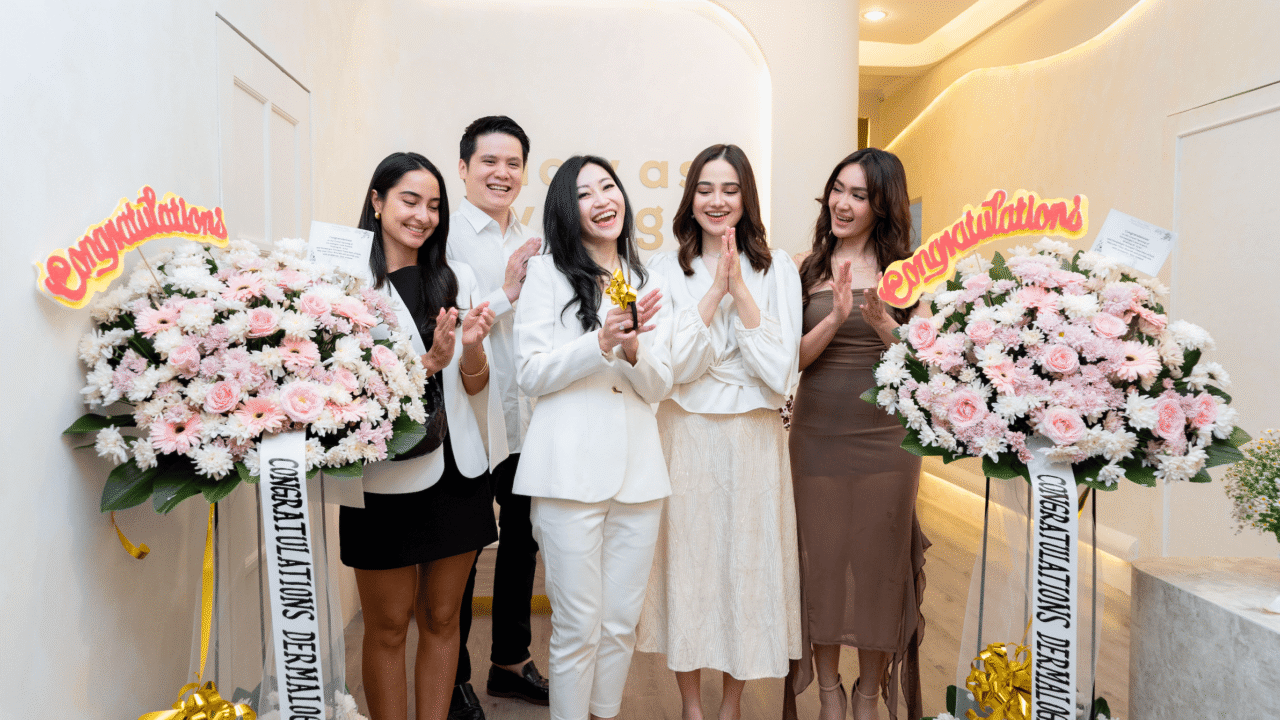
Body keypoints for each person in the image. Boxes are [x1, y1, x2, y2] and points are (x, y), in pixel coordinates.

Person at [635, 144, 802, 720]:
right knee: (689, 566)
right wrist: (712, 295)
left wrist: (741, 291)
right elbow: (672, 368)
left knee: (747, 568)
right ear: (691, 198)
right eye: (705, 189)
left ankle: (731, 705)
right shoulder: (663, 269)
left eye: (730, 190)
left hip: (754, 437)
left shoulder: (778, 268)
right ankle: (691, 705)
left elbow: (781, 370)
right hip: (684, 433)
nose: (717, 200)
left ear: (746, 197)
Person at [339, 151, 505, 720]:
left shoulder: (456, 279)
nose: (423, 216)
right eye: (410, 201)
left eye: (434, 205)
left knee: (443, 620)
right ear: (377, 201)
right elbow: (341, 391)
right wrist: (428, 364)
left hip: (459, 474)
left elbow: (475, 386)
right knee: (387, 627)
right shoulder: (343, 286)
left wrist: (471, 350)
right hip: (384, 477)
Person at [513, 155, 671, 720]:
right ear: (566, 209)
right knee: (578, 625)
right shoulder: (546, 274)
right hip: (567, 474)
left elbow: (659, 385)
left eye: (609, 186)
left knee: (620, 623)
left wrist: (632, 349)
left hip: (639, 476)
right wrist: (599, 343)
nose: (603, 200)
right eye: (585, 193)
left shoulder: (643, 280)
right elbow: (529, 373)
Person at [784, 148, 928, 720]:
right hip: (816, 432)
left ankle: (868, 695)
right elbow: (788, 362)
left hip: (888, 439)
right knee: (820, 559)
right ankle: (828, 694)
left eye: (859, 195)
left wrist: (885, 326)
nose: (842, 203)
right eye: (837, 190)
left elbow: (929, 368)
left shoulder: (911, 273)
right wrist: (834, 317)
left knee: (877, 564)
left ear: (882, 205)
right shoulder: (802, 267)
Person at [444, 115, 547, 720]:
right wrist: (506, 290)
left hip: (526, 417)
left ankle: (509, 662)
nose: (501, 173)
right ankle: (452, 676)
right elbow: (443, 320)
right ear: (464, 168)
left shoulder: (535, 239)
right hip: (469, 415)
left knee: (522, 541)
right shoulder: (445, 234)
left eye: (513, 164)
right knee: (463, 549)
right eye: (489, 161)